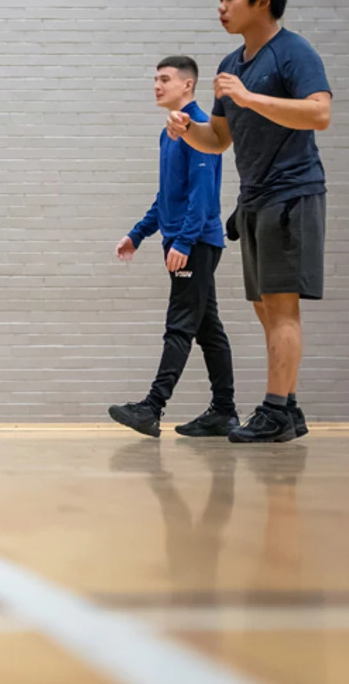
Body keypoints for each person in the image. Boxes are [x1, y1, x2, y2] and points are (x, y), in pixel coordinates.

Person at [168, 0, 331, 443]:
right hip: (255, 199)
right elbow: (218, 138)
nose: (221, 7)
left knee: (282, 308)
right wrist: (186, 129)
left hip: (292, 194)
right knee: (265, 307)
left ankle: (276, 411)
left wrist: (250, 98)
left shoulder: (292, 52)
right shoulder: (228, 66)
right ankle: (291, 408)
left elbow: (319, 114)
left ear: (262, 1)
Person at [110, 56, 237, 438]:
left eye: (164, 79)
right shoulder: (170, 132)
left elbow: (202, 195)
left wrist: (183, 240)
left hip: (194, 242)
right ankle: (225, 411)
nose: (157, 85)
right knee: (208, 328)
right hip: (185, 239)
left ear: (188, 85)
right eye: (155, 79)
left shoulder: (198, 128)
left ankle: (152, 407)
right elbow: (168, 195)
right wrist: (138, 233)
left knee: (180, 324)